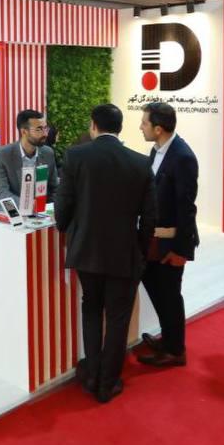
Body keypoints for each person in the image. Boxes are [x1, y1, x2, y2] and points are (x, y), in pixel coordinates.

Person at [54, 104, 156, 404]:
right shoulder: (140, 162)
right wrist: (139, 249)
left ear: (93, 126)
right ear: (120, 128)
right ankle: (108, 383)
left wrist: (67, 228)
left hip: (86, 250)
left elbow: (63, 205)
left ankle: (92, 374)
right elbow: (150, 217)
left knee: (91, 308)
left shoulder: (76, 156)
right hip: (124, 253)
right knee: (117, 318)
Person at [135, 102, 198, 367]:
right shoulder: (157, 150)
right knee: (159, 292)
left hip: (171, 244)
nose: (140, 127)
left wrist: (180, 250)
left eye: (144, 123)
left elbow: (186, 208)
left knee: (170, 296)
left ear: (158, 129)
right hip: (154, 239)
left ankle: (175, 350)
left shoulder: (182, 157)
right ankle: (169, 339)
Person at [0, 109, 58, 209]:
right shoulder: (3, 154)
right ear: (24, 132)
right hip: (11, 210)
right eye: (39, 129)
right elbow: (2, 193)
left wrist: (47, 208)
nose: (45, 134)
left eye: (45, 128)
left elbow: (54, 188)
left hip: (40, 211)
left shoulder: (48, 153)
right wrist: (28, 206)